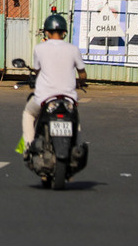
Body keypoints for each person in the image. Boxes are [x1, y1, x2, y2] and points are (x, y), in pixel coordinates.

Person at [18, 12, 87, 155]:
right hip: (68, 99)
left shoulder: (39, 48)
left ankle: (28, 147)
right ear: (64, 32)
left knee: (28, 115)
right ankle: (78, 147)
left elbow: (37, 71)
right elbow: (82, 73)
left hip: (44, 98)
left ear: (47, 32)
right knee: (75, 119)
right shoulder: (73, 49)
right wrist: (80, 82)